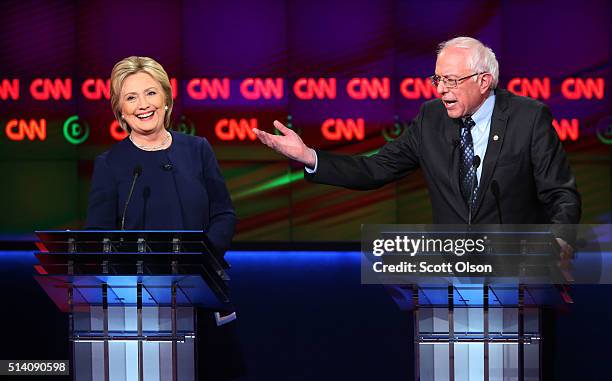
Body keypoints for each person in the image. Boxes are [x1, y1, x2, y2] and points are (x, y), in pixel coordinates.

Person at [253, 37, 581, 256]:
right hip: (448, 274)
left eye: (451, 80)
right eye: (437, 79)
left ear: (484, 81)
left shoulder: (528, 118)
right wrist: (309, 156)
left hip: (518, 276)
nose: (441, 90)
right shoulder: (431, 118)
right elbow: (376, 168)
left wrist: (559, 243)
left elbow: (561, 194)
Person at [86, 56, 244, 379]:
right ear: (120, 110)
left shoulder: (198, 149)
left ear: (166, 99)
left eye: (151, 93)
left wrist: (198, 262)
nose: (143, 105)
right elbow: (100, 240)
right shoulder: (110, 164)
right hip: (139, 312)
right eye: (131, 97)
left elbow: (224, 214)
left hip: (202, 298)